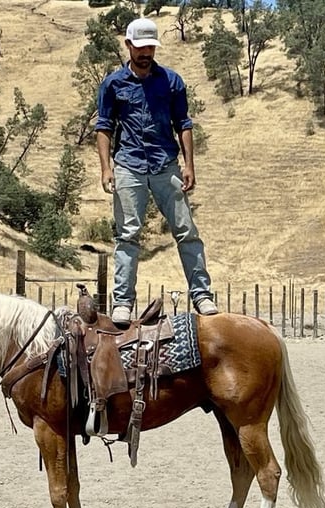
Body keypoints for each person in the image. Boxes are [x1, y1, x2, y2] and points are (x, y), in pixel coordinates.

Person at [95, 17, 218, 326]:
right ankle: (123, 303)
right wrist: (106, 168)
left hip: (166, 164)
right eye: (140, 47)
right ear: (128, 46)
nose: (146, 52)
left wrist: (190, 164)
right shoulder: (112, 84)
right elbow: (104, 127)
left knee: (187, 230)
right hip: (129, 165)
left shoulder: (172, 81)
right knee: (127, 235)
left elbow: (184, 124)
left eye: (150, 46)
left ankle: (202, 295)